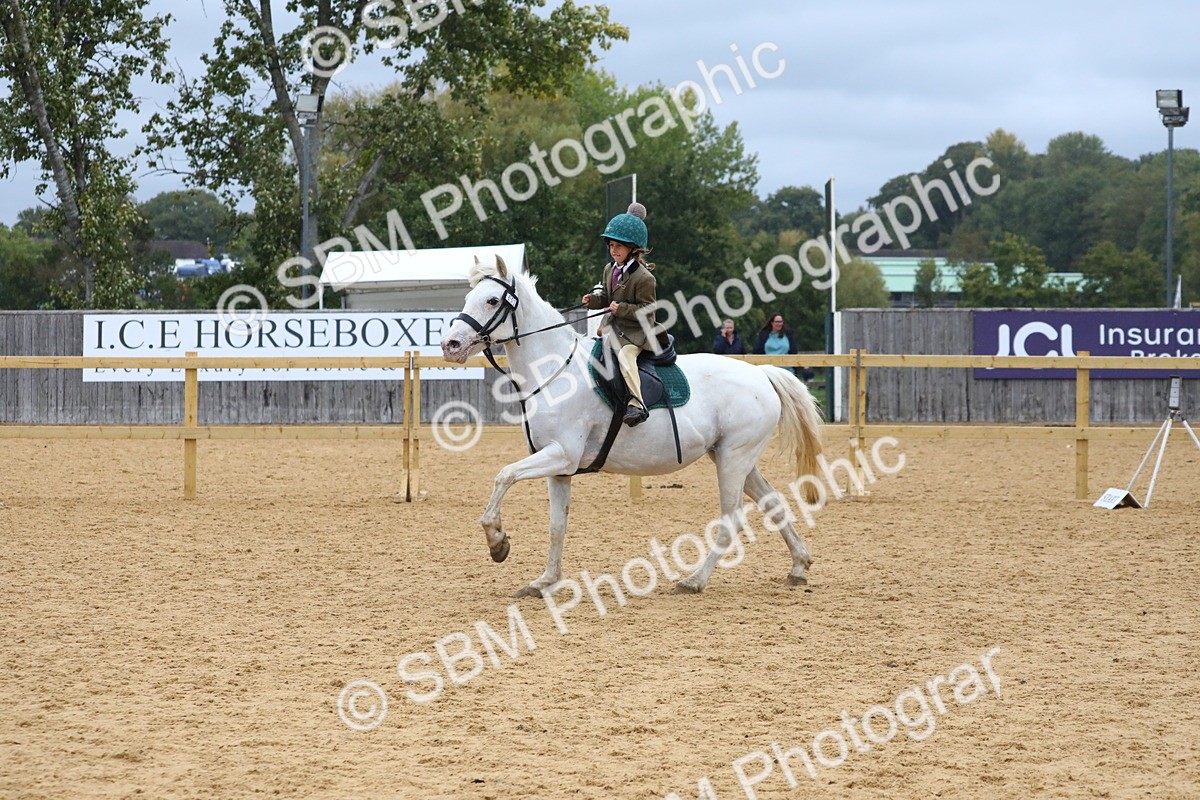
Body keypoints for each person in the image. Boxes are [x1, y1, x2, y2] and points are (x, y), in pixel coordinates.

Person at [582, 202, 658, 426]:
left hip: (636, 334)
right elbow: (607, 296)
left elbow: (649, 312)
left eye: (618, 247)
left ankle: (637, 404)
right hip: (613, 329)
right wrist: (593, 300)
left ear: (633, 249)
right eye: (611, 245)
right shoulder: (610, 269)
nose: (613, 250)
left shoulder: (644, 278)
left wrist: (621, 309)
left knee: (625, 357)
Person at [753, 312, 807, 379]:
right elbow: (757, 351)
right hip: (768, 369)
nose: (779, 324)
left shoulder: (788, 334)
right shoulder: (763, 335)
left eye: (781, 322)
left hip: (786, 368)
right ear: (772, 323)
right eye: (777, 322)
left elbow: (793, 351)